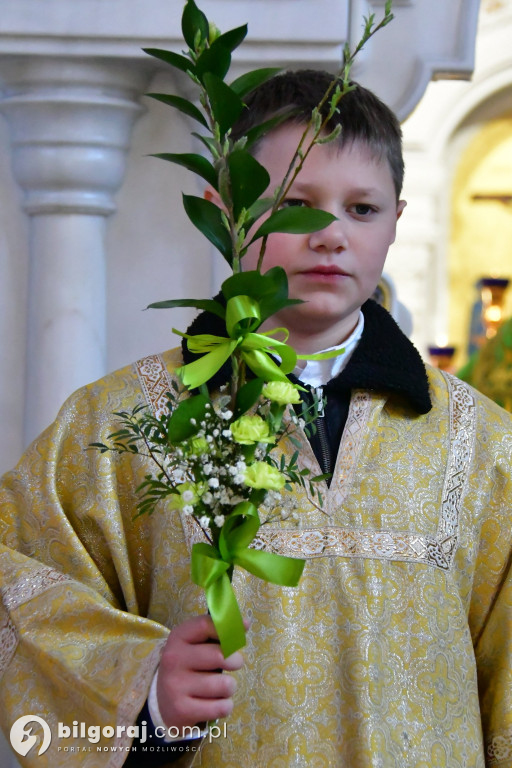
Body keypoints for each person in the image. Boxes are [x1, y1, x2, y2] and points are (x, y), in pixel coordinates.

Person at [1, 69, 512, 768]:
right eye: (296, 205)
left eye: (362, 209)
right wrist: (144, 693)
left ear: (397, 216)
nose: (329, 235)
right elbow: (19, 592)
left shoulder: (482, 446)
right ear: (225, 209)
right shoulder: (117, 423)